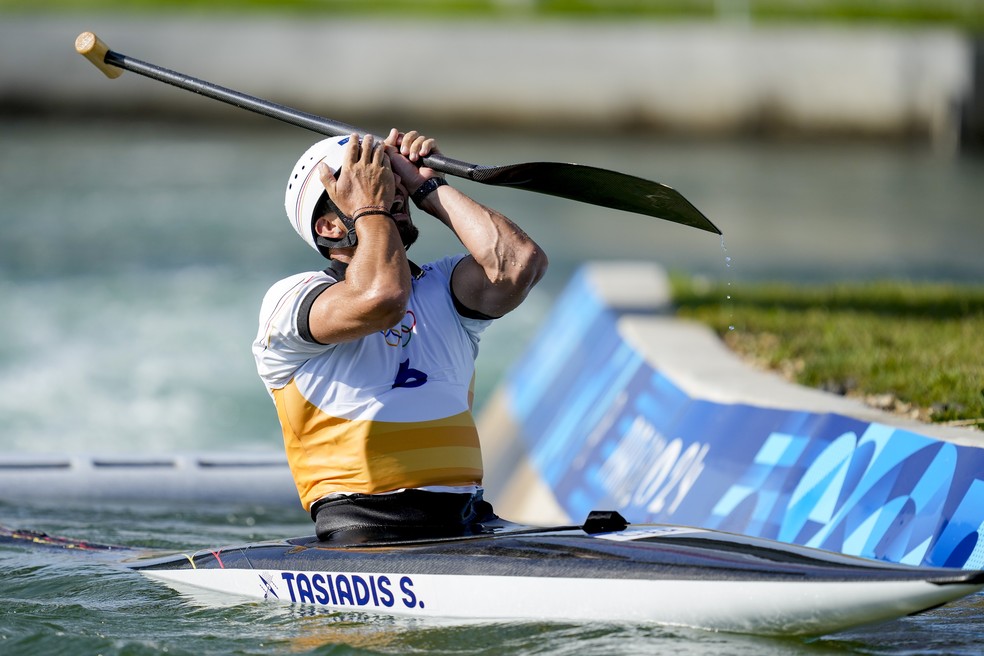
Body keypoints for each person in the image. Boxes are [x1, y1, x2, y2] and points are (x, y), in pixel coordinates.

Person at [252, 129, 548, 543]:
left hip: (470, 521)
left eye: (393, 182)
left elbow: (519, 264)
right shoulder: (291, 298)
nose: (391, 192)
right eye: (371, 185)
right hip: (365, 526)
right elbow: (382, 298)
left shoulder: (441, 285)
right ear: (329, 226)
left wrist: (430, 187)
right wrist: (372, 207)